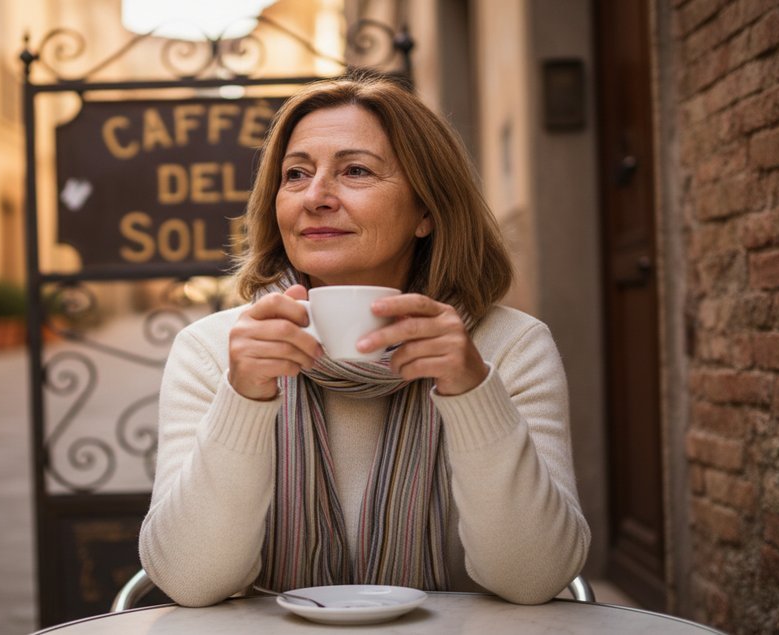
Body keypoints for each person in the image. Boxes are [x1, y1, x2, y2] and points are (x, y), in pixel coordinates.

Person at [138, 71, 589, 607]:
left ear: (426, 210)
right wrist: (246, 397)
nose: (316, 197)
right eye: (296, 174)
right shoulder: (216, 350)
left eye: (355, 171)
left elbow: (534, 579)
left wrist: (472, 393)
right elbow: (190, 581)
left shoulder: (509, 347)